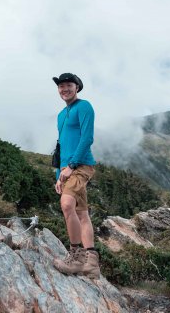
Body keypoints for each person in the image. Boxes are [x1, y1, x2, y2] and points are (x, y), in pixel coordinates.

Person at [51, 72, 100, 279]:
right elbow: (61, 147)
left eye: (69, 85)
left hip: (81, 165)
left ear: (77, 87)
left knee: (66, 205)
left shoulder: (84, 106)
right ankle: (92, 264)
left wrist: (71, 166)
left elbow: (87, 138)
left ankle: (76, 257)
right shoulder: (61, 115)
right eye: (61, 86)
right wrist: (58, 175)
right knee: (82, 213)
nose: (65, 89)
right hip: (66, 169)